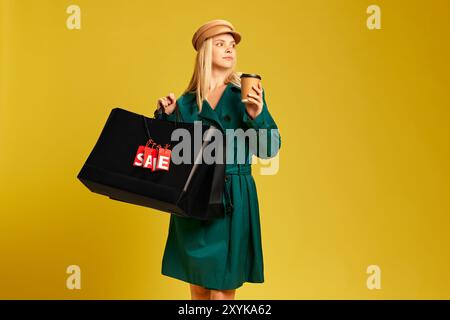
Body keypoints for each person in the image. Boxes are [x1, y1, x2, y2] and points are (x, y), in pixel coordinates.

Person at [154, 19, 281, 300]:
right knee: (198, 289)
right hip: (192, 198)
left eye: (232, 46)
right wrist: (168, 117)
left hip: (231, 198)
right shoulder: (186, 103)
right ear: (204, 52)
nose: (229, 50)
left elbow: (269, 150)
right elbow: (173, 157)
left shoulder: (245, 97)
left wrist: (256, 115)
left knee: (221, 291)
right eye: (220, 44)